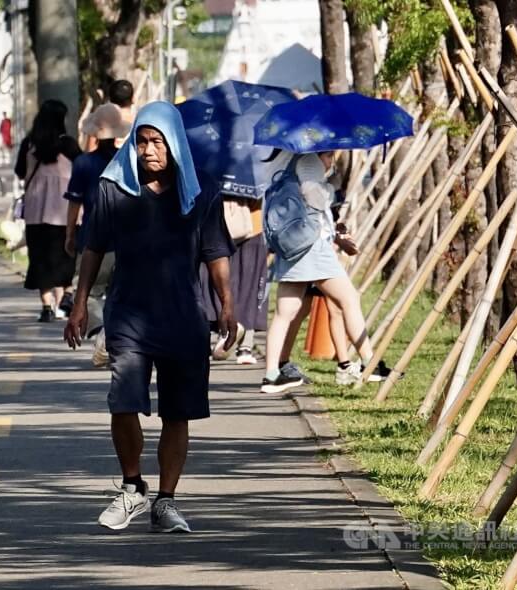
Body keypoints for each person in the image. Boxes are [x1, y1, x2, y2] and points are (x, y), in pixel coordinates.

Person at [64, 101, 237, 533]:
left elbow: (215, 253)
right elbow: (93, 249)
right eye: (141, 141)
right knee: (123, 404)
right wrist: (80, 303)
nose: (148, 150)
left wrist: (227, 304)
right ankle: (132, 488)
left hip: (183, 317)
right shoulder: (113, 187)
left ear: (174, 142)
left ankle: (166, 500)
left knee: (177, 414)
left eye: (157, 141)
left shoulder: (200, 191)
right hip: (128, 314)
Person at [261, 151, 390, 393]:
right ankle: (369, 364)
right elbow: (315, 198)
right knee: (349, 299)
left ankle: (271, 375)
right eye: (330, 155)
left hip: (292, 247)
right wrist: (331, 191)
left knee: (284, 313)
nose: (331, 160)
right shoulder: (309, 160)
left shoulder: (288, 164)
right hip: (312, 247)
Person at [64, 103, 131, 366]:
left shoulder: (83, 163)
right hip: (125, 237)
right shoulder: (126, 159)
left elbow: (74, 203)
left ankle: (103, 332)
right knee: (121, 292)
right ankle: (118, 336)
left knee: (90, 290)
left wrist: (70, 233)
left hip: (94, 237)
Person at [15, 100, 81, 322]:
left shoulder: (29, 144)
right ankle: (65, 297)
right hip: (65, 211)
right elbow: (82, 169)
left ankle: (46, 306)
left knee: (40, 258)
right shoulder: (69, 145)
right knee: (66, 255)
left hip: (36, 210)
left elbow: (19, 171)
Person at [201, 195, 268, 364]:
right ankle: (243, 346)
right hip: (249, 227)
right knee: (246, 286)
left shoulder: (209, 172)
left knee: (213, 283)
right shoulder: (258, 171)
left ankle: (217, 339)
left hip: (217, 225)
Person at [83, 79, 134, 152]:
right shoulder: (138, 122)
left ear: (110, 98)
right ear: (133, 99)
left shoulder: (102, 118)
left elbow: (90, 149)